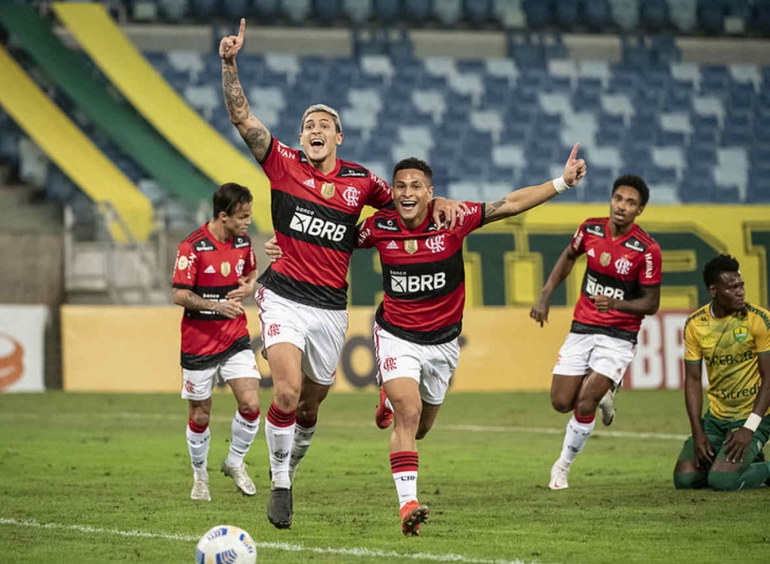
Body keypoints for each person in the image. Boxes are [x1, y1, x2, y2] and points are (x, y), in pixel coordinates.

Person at [219, 19, 465, 528]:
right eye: (308, 123)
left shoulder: (361, 182)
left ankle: (288, 455)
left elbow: (404, 203)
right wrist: (229, 64)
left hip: (331, 306)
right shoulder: (281, 162)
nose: (313, 130)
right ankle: (282, 483)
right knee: (284, 392)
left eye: (323, 125)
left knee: (308, 407)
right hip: (283, 294)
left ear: (338, 136)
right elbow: (243, 118)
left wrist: (437, 199)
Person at [358, 148, 586, 535]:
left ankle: (389, 402)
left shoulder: (453, 218)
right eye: (400, 186)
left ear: (431, 192)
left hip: (444, 343)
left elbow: (510, 204)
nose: (407, 192)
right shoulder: (377, 225)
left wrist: (562, 182)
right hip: (396, 335)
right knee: (409, 413)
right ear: (392, 192)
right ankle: (407, 504)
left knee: (421, 427)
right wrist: (282, 252)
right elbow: (329, 243)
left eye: (416, 186)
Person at [530, 174, 662, 490]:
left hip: (619, 336)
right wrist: (546, 293)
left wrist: (617, 303)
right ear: (611, 199)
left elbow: (651, 303)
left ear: (640, 210)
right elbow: (569, 256)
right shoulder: (589, 229)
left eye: (631, 203)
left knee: (584, 402)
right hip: (582, 327)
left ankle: (561, 468)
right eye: (619, 198)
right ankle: (606, 393)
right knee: (561, 402)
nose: (622, 206)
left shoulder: (646, 250)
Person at [172, 182, 260, 502]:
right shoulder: (192, 247)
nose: (248, 222)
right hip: (199, 341)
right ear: (224, 216)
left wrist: (248, 288)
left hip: (234, 334)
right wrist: (216, 305)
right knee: (200, 416)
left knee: (251, 404)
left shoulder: (244, 242)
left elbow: (250, 274)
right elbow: (179, 294)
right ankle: (200, 477)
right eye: (242, 216)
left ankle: (234, 461)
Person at [673, 254, 770, 491]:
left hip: (754, 417)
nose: (740, 292)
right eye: (732, 287)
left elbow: (769, 379)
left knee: (722, 481)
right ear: (714, 290)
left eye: (741, 285)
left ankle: (756, 464)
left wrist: (749, 429)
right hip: (716, 420)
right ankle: (743, 461)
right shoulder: (696, 324)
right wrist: (698, 433)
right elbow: (693, 381)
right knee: (684, 480)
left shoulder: (759, 319)